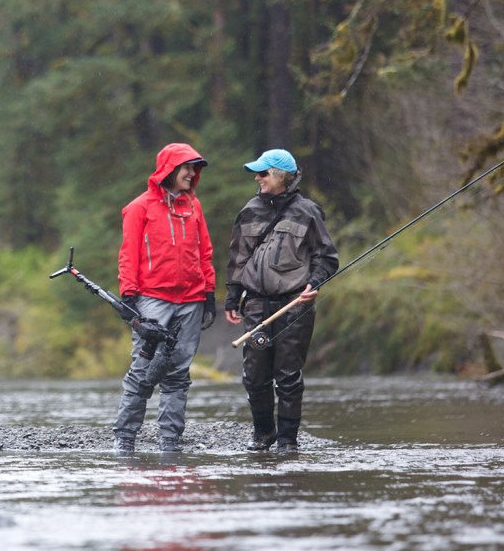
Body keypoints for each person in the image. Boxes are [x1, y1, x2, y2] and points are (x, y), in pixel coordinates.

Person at [224, 149, 338, 453]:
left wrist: (314, 283)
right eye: (257, 173)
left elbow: (326, 258)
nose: (257, 178)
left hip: (295, 306)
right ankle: (263, 434)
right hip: (257, 308)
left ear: (282, 177)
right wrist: (232, 298)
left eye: (264, 173)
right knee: (255, 374)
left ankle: (288, 440)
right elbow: (237, 258)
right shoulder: (248, 211)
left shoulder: (309, 212)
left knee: (287, 376)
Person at [112, 142, 217, 453]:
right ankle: (124, 439)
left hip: (192, 300)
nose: (191, 173)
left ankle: (170, 442)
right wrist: (128, 295)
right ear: (169, 170)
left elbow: (205, 251)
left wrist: (209, 292)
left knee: (178, 373)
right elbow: (127, 254)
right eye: (186, 167)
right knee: (144, 371)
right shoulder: (139, 208)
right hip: (151, 300)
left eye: (194, 168)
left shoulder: (194, 207)